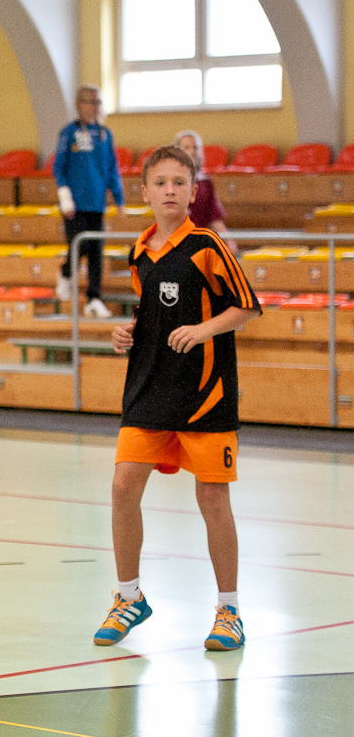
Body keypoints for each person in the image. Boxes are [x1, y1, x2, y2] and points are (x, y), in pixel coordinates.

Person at [94, 146, 261, 651]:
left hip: (205, 394)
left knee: (212, 498)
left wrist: (203, 330)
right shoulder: (139, 251)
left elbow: (248, 307)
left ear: (193, 192)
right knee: (123, 486)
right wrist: (128, 331)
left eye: (179, 182)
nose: (169, 190)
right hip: (148, 388)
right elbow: (151, 310)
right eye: (160, 182)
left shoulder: (208, 245)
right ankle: (129, 598)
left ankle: (229, 612)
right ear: (144, 192)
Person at [54, 84, 125, 318]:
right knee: (80, 246)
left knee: (96, 252)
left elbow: (113, 168)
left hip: (97, 204)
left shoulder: (105, 135)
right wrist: (65, 197)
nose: (95, 106)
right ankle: (66, 273)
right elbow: (58, 167)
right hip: (74, 206)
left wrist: (119, 199)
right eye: (90, 102)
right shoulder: (69, 133)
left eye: (98, 102)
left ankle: (94, 299)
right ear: (79, 104)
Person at [174, 130, 238, 256]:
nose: (192, 152)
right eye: (186, 148)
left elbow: (215, 217)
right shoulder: (169, 182)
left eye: (195, 148)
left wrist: (229, 241)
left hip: (200, 245)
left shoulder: (205, 182)